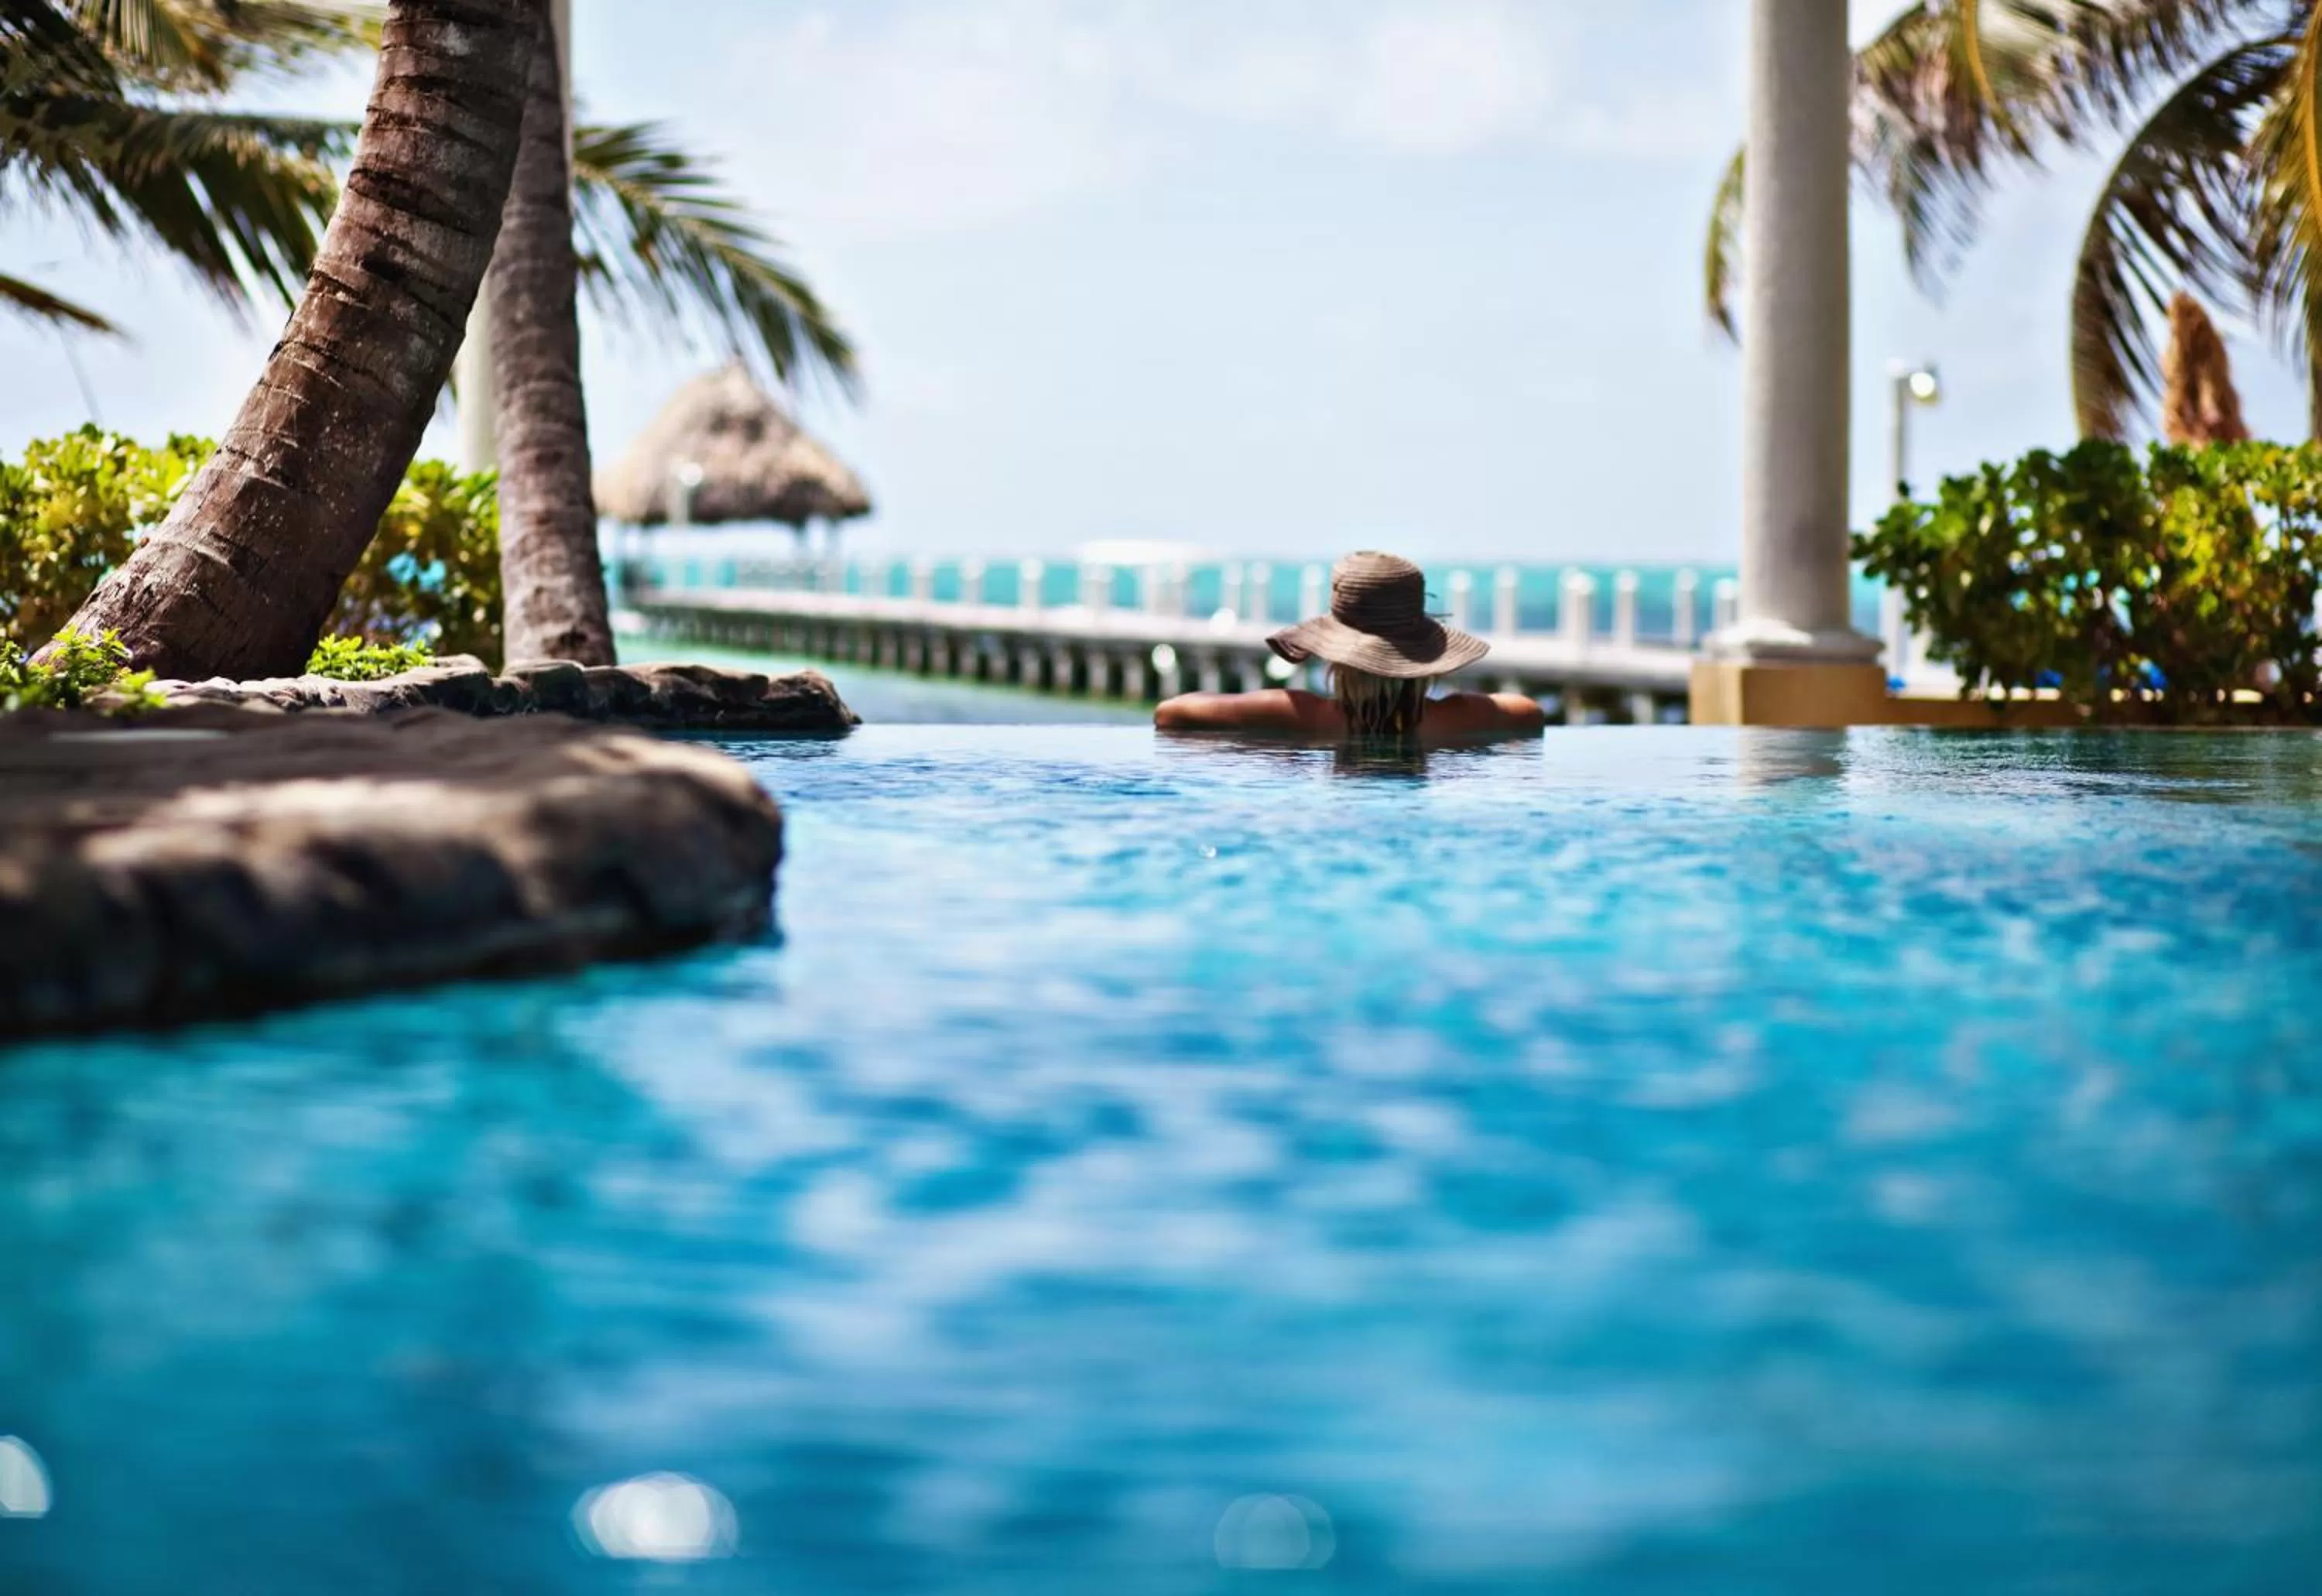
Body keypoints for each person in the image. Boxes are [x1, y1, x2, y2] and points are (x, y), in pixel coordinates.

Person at [1154, 551, 1545, 742]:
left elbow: (1172, 712)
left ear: (1336, 656)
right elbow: (1529, 711)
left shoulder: (1303, 715)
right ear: (1427, 658)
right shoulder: (1457, 719)